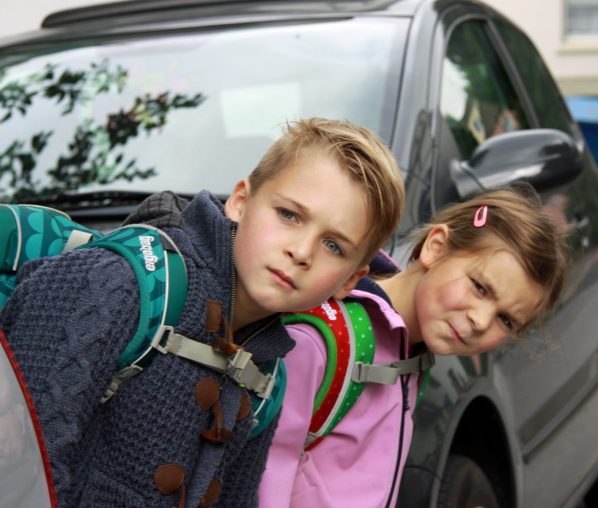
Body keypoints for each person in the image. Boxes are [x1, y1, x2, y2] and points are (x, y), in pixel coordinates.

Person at [0, 117, 405, 507]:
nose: (300, 252)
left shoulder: (267, 377)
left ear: (350, 280)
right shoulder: (120, 284)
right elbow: (25, 471)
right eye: (288, 215)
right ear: (241, 202)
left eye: (333, 246)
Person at [259, 186, 568, 507]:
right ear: (436, 247)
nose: (480, 320)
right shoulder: (325, 340)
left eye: (505, 320)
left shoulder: (412, 356)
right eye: (480, 287)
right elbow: (262, 477)